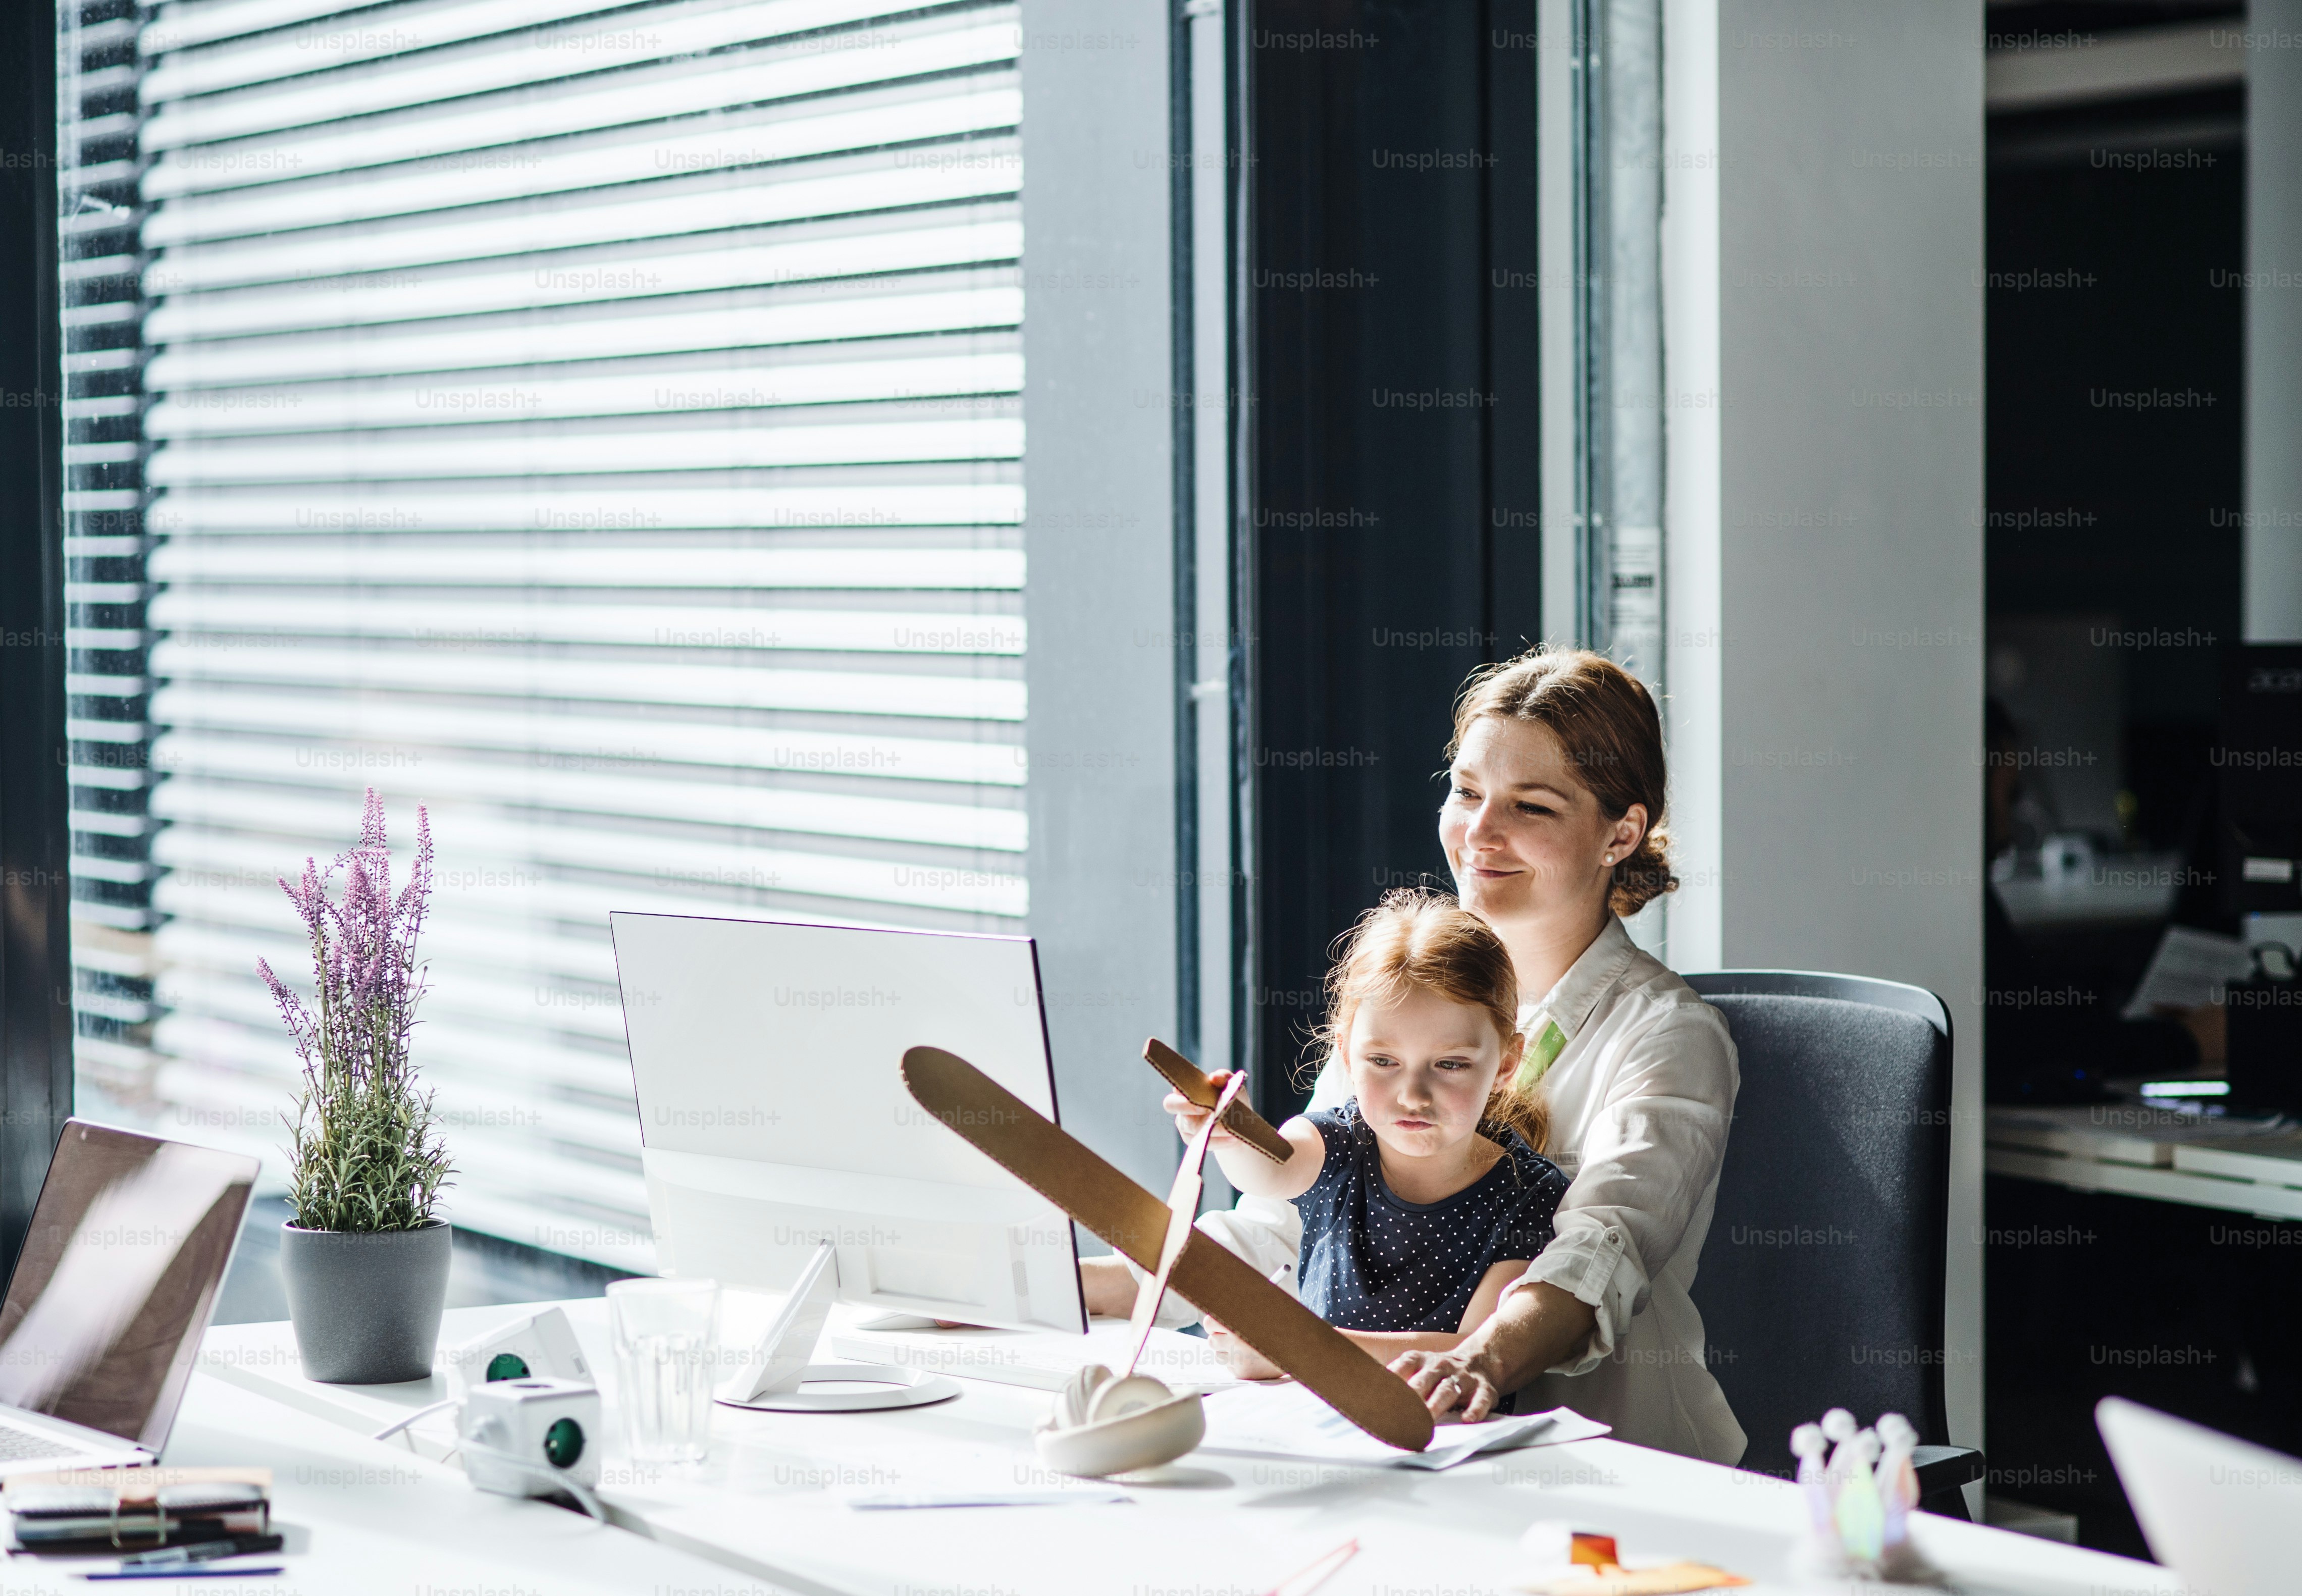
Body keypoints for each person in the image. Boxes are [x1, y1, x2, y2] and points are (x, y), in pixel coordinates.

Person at [1080, 648, 1746, 1464]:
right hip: (1388, 1446)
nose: (1480, 833)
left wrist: (1478, 1358)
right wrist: (1088, 1284)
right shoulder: (1408, 993)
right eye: (1467, 793)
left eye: (1531, 807)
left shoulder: (1668, 1037)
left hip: (1605, 1470)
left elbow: (1600, 1248)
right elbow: (1282, 1227)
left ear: (1622, 833)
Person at [1196, 891, 1569, 1368]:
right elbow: (1267, 1171)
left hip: (1450, 1435)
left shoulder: (1529, 1194)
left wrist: (1295, 1349)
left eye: (1450, 1064)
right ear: (1347, 1055)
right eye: (1383, 1061)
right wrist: (1232, 1130)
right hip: (1311, 1424)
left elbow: (1474, 1350)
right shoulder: (1338, 1140)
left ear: (1506, 1064)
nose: (1413, 1094)